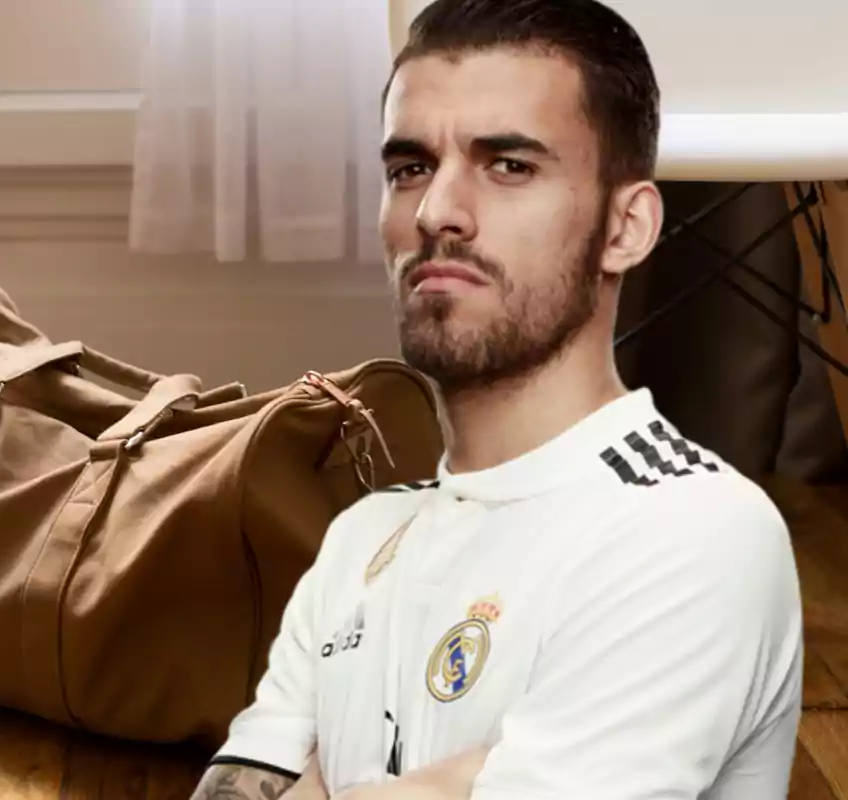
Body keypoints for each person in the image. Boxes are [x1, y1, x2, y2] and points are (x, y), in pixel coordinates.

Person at [191, 0, 805, 798]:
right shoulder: (360, 540)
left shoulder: (695, 531)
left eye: (508, 165)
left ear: (627, 227)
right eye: (410, 168)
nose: (437, 211)